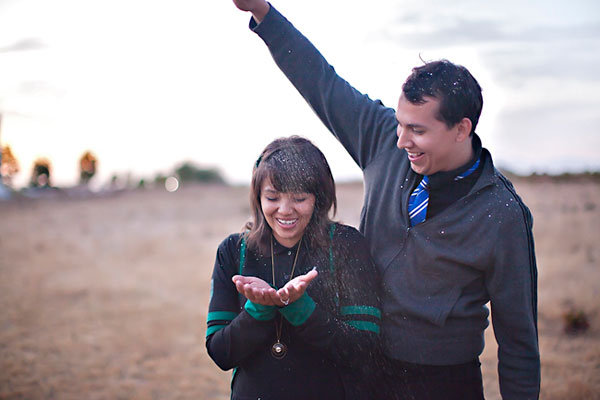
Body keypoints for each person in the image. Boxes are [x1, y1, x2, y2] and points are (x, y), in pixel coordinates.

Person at [229, 2, 540, 399]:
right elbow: (321, 83)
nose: (401, 140)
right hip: (360, 369)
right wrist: (263, 13)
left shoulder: (503, 215)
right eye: (399, 123)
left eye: (417, 130)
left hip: (443, 383)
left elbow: (519, 343)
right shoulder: (382, 140)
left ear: (461, 129)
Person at [205, 136, 382, 399]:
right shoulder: (233, 251)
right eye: (272, 197)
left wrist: (302, 309)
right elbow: (220, 352)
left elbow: (365, 350)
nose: (285, 210)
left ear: (319, 198)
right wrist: (259, 309)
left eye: (299, 198)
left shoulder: (346, 245)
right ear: (258, 197)